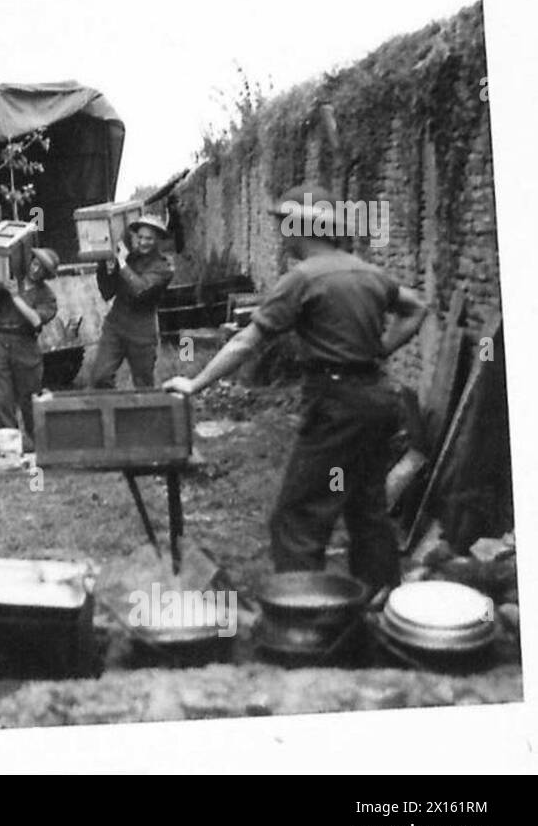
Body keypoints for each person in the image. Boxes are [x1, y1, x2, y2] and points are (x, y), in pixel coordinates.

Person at [161, 184, 427, 590]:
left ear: (298, 226)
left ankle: (304, 617)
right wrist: (378, 351)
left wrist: (194, 384)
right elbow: (416, 308)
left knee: (298, 517)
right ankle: (380, 609)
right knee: (367, 509)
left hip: (336, 404)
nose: (283, 232)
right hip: (378, 399)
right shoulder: (369, 273)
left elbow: (246, 342)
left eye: (285, 224)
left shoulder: (302, 278)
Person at [0, 247, 59, 447]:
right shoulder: (12, 282)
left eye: (42, 268)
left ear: (47, 275)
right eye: (35, 263)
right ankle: (10, 447)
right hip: (1, 342)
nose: (35, 268)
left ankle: (39, 445)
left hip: (26, 346)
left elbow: (35, 320)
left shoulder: (47, 296)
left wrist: (15, 296)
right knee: (1, 399)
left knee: (30, 400)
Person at [90, 213, 175, 388]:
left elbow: (140, 289)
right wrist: (106, 265)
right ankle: (113, 413)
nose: (143, 242)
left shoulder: (164, 267)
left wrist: (121, 263)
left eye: (149, 238)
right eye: (141, 237)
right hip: (115, 326)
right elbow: (107, 292)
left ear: (158, 240)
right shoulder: (129, 258)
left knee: (143, 386)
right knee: (100, 378)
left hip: (141, 332)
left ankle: (143, 414)